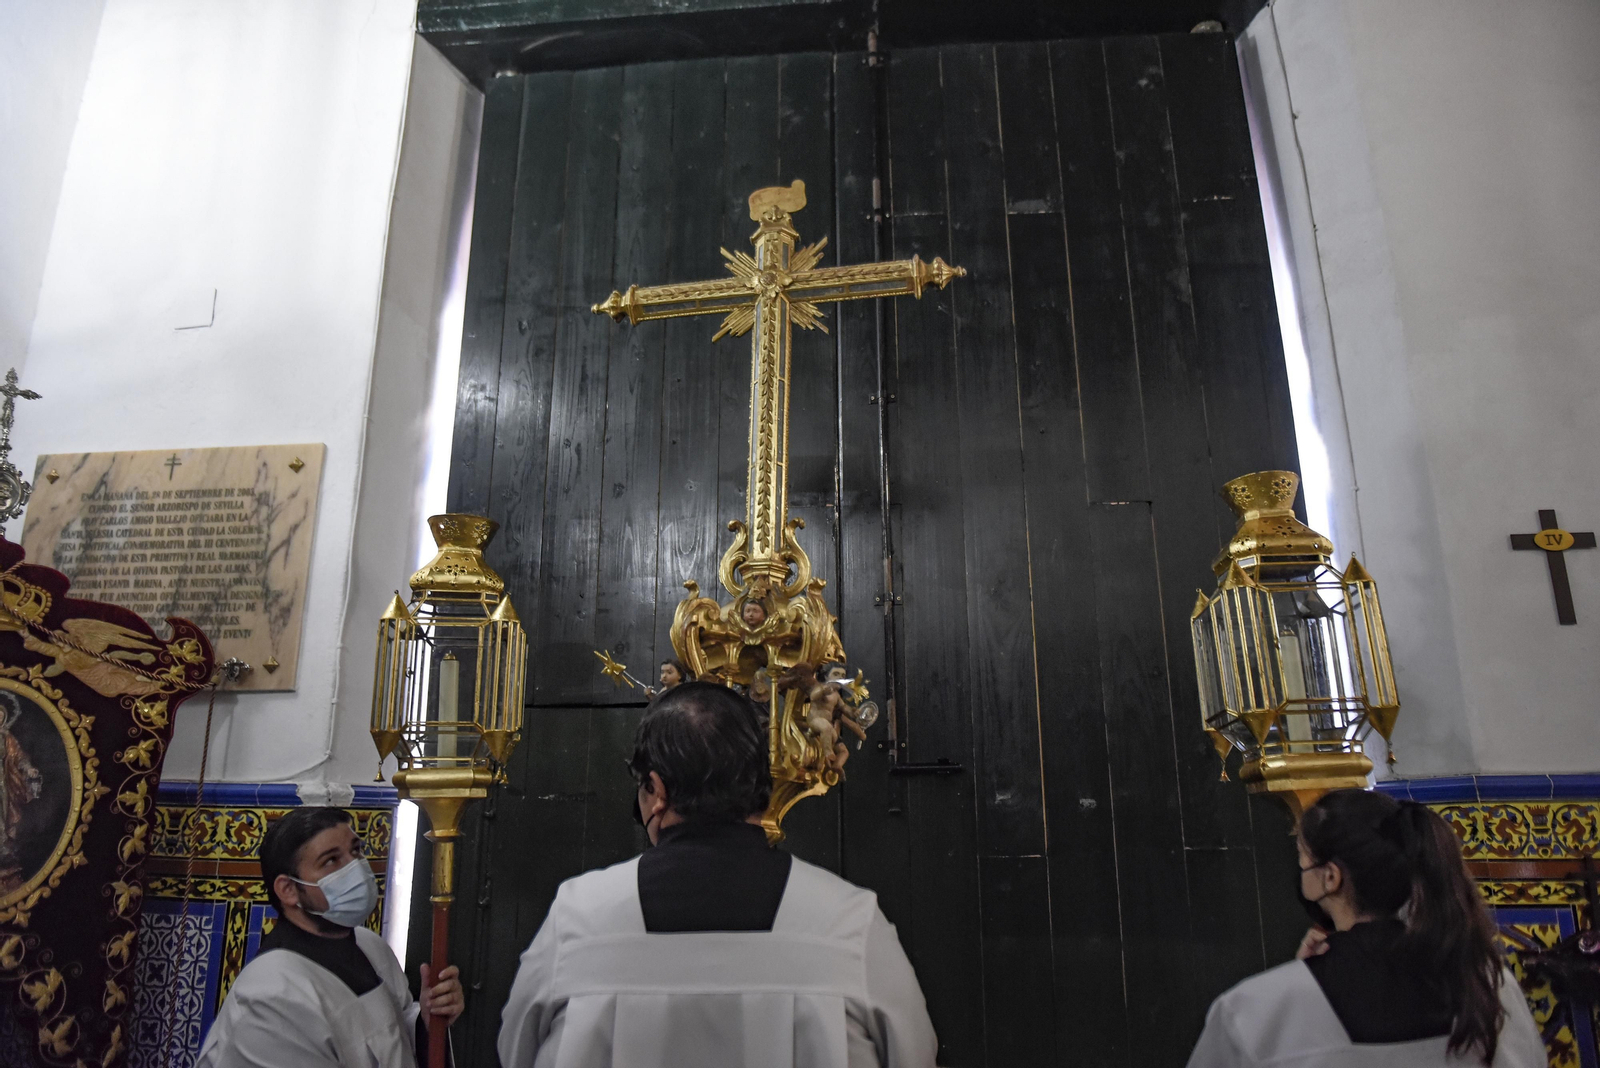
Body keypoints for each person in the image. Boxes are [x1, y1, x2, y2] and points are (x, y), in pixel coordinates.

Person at [498, 682, 938, 1068]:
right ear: (762, 787)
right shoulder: (849, 922)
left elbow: (516, 1051)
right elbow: (915, 1054)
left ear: (657, 791)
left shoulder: (579, 916)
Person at [1187, 789, 1544, 1068]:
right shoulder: (1489, 984)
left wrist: (1298, 979)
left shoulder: (1256, 1010)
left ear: (1330, 878)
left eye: (1302, 856)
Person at [196, 807, 464, 1068]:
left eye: (355, 851)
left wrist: (428, 1022)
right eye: (331, 861)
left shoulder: (370, 946)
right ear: (288, 889)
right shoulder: (272, 995)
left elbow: (395, 1037)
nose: (356, 868)